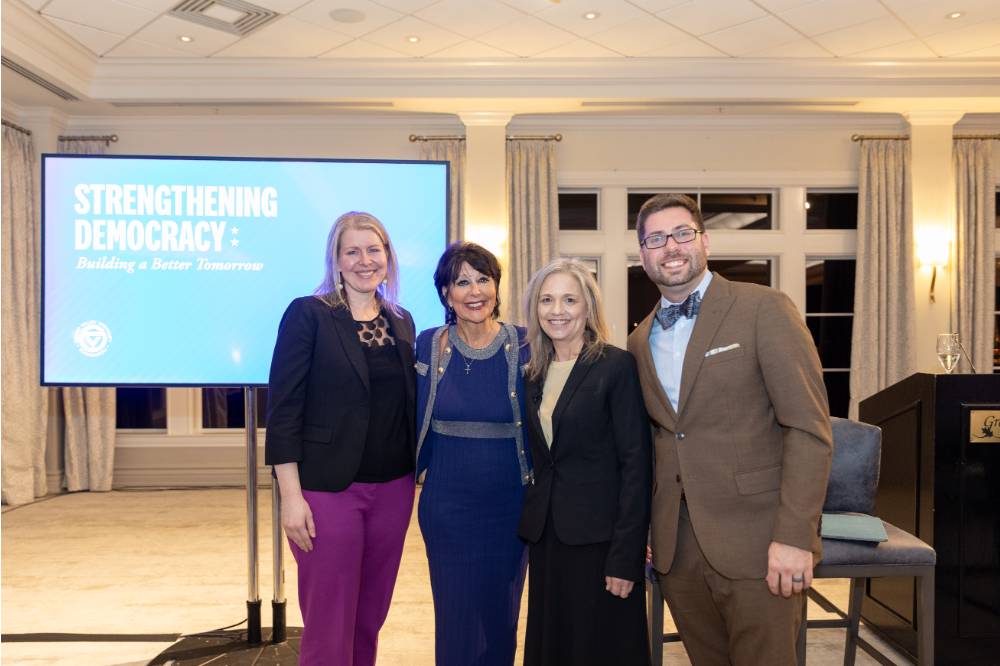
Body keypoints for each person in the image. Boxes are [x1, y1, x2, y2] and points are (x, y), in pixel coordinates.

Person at [626, 193, 833, 665]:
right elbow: (660, 439)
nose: (671, 247)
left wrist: (796, 536)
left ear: (705, 241)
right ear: (642, 255)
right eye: (655, 239)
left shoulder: (764, 308)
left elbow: (808, 429)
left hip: (760, 542)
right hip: (677, 550)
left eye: (682, 233)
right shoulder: (639, 339)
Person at [265, 211, 416, 666]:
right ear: (336, 259)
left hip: (394, 489)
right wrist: (290, 498)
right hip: (328, 493)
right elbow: (283, 411)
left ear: (388, 258)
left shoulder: (401, 321)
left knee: (369, 616)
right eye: (352, 251)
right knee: (329, 622)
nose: (364, 260)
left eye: (374, 250)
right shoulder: (309, 315)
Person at [519, 258, 652, 666]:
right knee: (556, 644)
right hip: (549, 539)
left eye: (568, 299)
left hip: (600, 542)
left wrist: (626, 556)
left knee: (600, 648)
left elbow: (637, 465)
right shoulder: (533, 373)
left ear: (587, 307)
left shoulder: (615, 366)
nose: (556, 310)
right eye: (547, 300)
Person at [415, 242, 531, 666]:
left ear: (497, 287)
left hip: (511, 504)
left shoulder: (525, 343)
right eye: (462, 281)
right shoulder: (428, 345)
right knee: (455, 615)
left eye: (483, 278)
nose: (474, 290)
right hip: (447, 506)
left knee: (501, 615)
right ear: (446, 293)